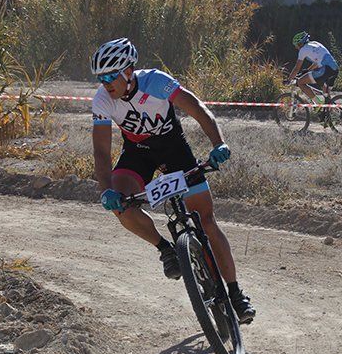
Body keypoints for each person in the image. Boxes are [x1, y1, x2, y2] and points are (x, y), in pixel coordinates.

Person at [90, 37, 256, 324]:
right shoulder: (102, 100)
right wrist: (106, 191)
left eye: (110, 76)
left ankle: (236, 293)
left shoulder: (156, 82)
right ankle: (166, 249)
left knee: (206, 221)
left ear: (128, 71)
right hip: (138, 154)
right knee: (122, 207)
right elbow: (102, 151)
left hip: (173, 149)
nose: (105, 83)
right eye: (100, 78)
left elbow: (197, 109)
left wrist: (218, 143)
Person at [285, 31, 339, 108]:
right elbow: (318, 62)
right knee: (325, 92)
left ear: (300, 43)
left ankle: (318, 104)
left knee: (300, 82)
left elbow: (297, 68)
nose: (295, 47)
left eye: (296, 45)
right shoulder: (316, 43)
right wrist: (308, 70)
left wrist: (289, 79)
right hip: (334, 69)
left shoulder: (303, 50)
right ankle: (330, 113)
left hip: (324, 70)